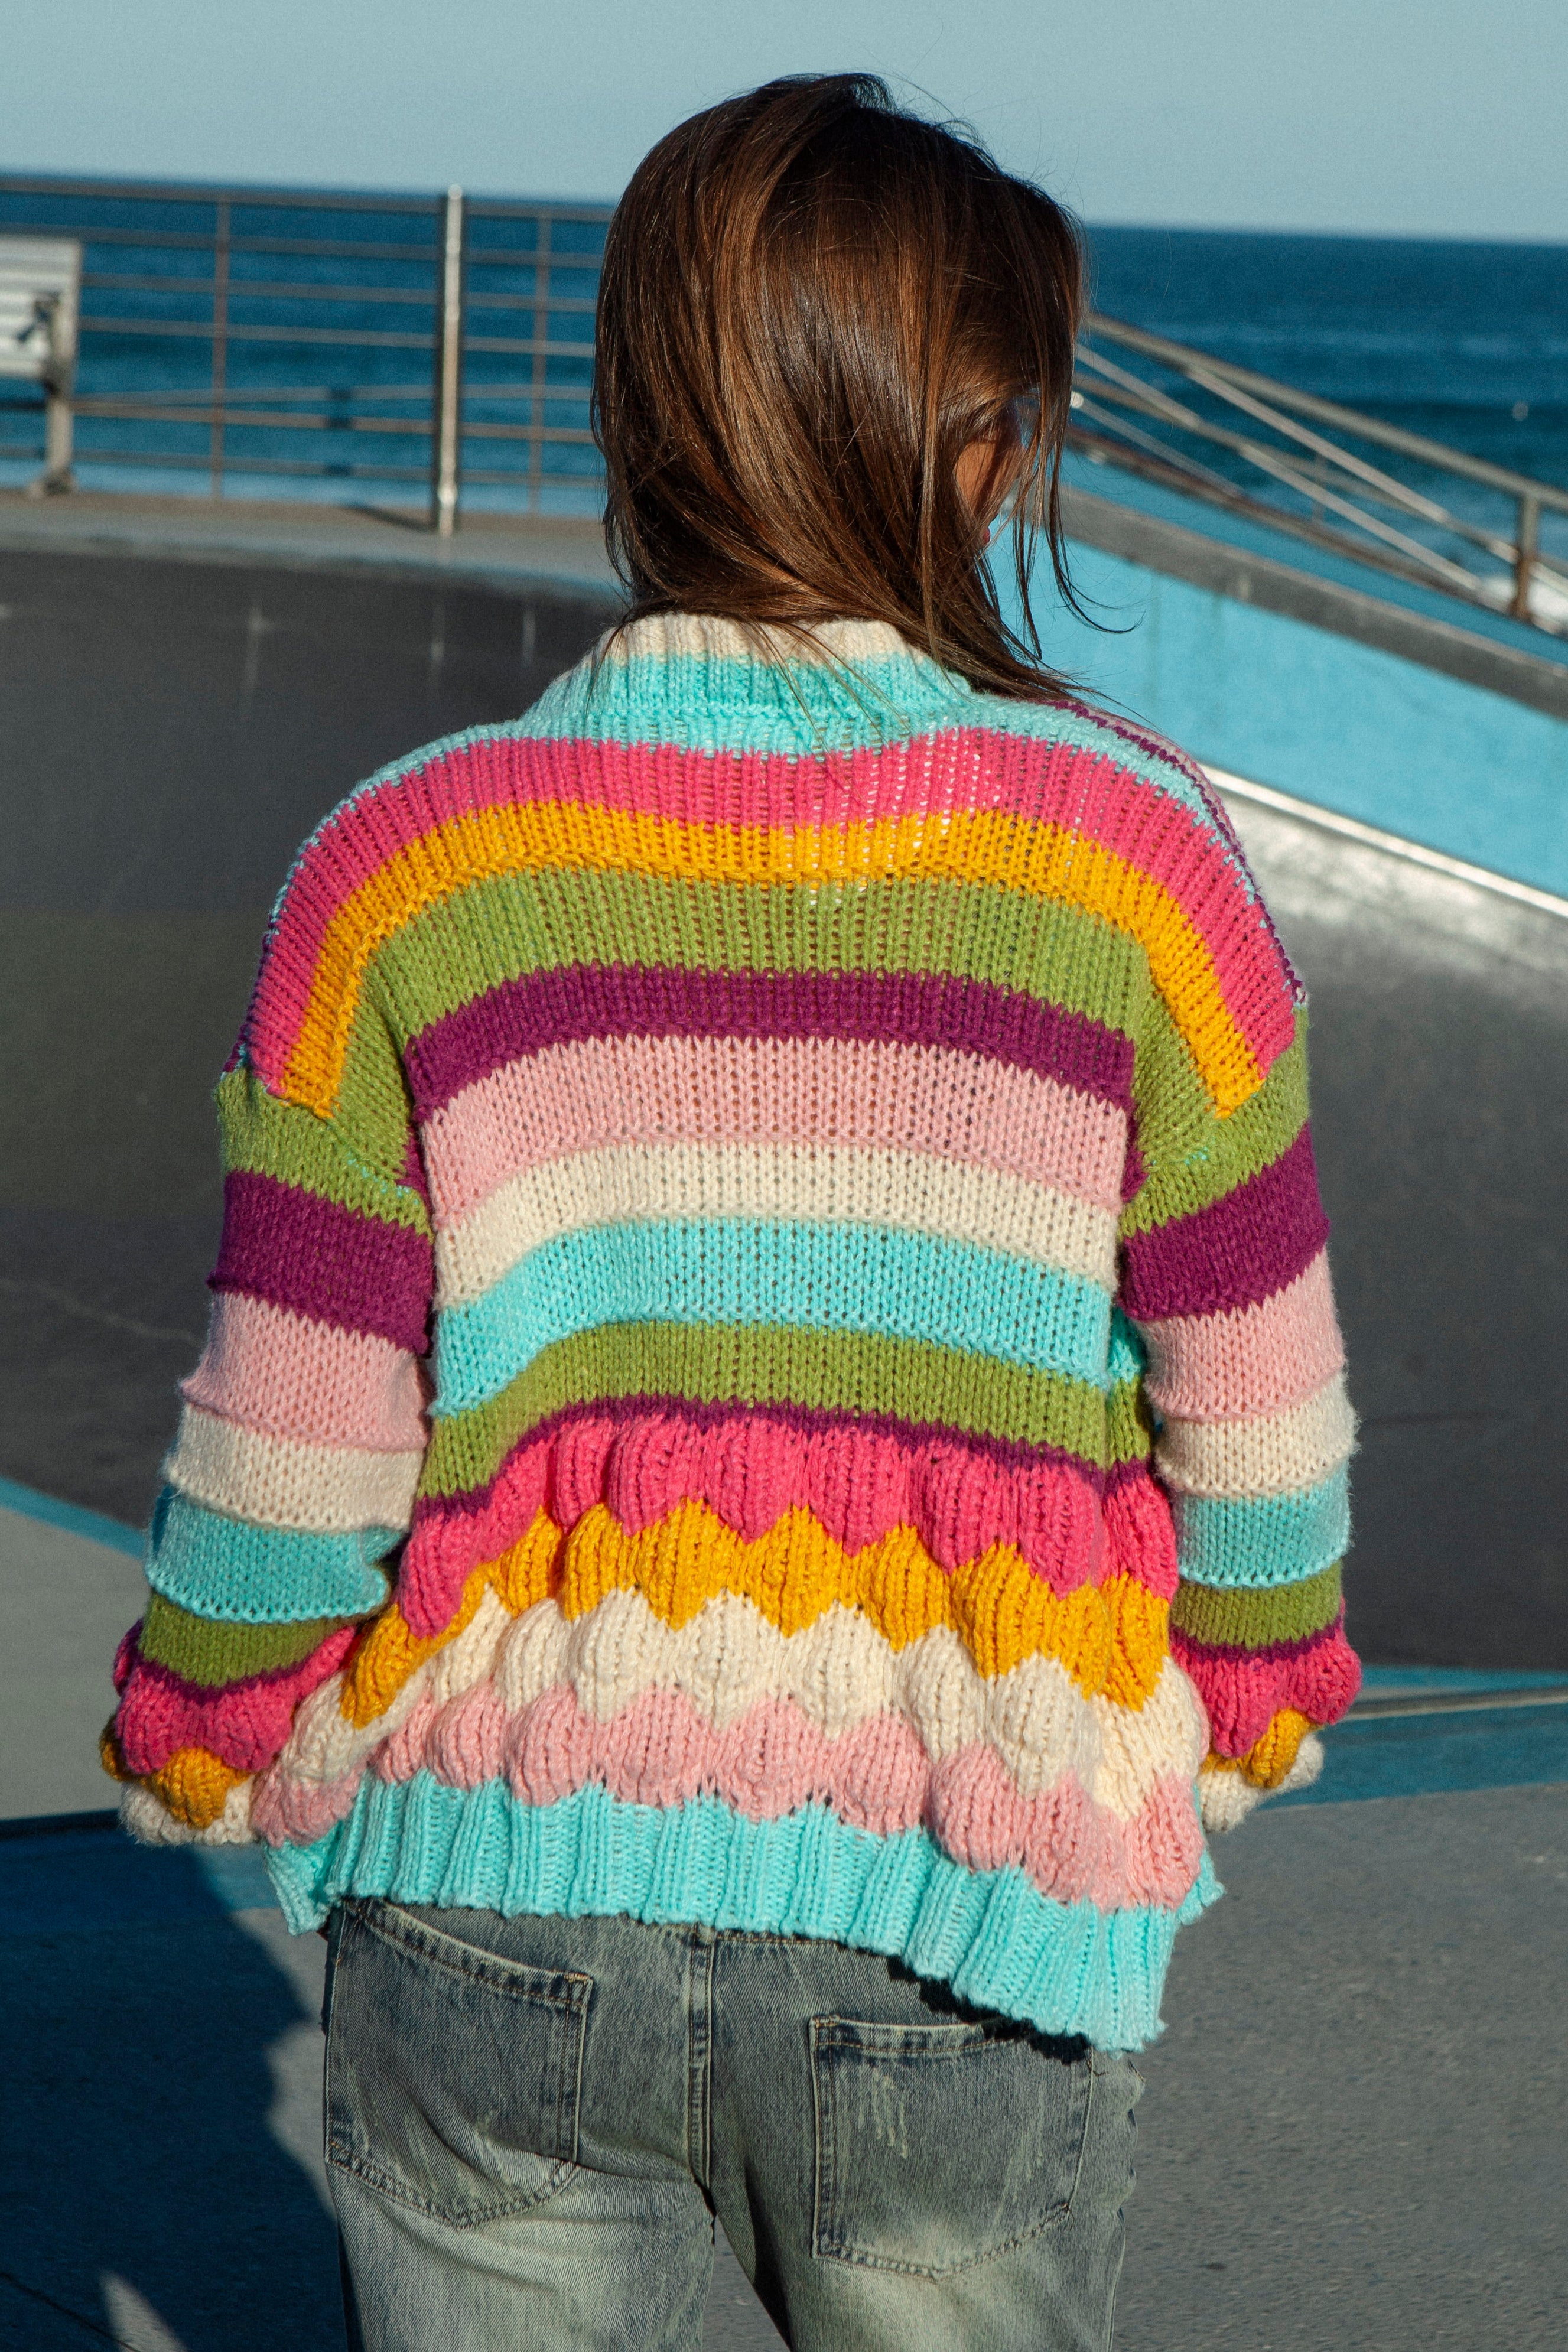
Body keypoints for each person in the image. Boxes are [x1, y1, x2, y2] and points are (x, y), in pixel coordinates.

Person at [105, 73, 1359, 2352]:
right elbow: (1256, 1422)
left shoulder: (406, 863)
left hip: (488, 1882)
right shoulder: (1141, 868)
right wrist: (1231, 1715)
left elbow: (293, 1436)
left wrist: (215, 1712)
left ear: (633, 405)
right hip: (961, 1895)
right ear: (986, 447)